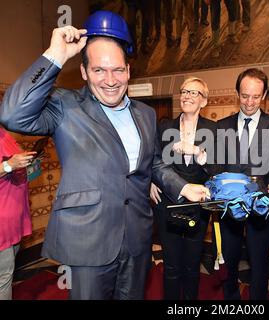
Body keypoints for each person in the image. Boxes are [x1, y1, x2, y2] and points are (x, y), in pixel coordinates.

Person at [0, 10, 209, 300]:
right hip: (89, 239)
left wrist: (183, 186)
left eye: (118, 70)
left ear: (128, 71)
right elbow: (12, 114)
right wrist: (55, 54)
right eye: (99, 70)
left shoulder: (146, 114)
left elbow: (154, 162)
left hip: (137, 237)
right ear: (84, 72)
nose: (110, 80)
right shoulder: (65, 106)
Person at [216, 68, 269, 299]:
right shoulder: (222, 126)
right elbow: (218, 167)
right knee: (231, 260)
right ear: (238, 93)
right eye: (245, 95)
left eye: (255, 96)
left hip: (261, 208)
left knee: (259, 265)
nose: (249, 102)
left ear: (264, 95)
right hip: (230, 206)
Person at [150, 77, 216, 299]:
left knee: (191, 264)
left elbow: (217, 169)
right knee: (171, 265)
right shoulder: (164, 126)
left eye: (194, 93)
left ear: (204, 101)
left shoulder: (213, 130)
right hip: (167, 202)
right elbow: (153, 159)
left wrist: (198, 152)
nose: (187, 96)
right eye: (184, 91)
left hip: (198, 206)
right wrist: (151, 181)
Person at [0, 127, 36, 300]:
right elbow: (8, 165)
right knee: (3, 279)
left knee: (7, 274)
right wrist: (8, 165)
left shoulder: (3, 133)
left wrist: (25, 162)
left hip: (13, 218)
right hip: (1, 224)